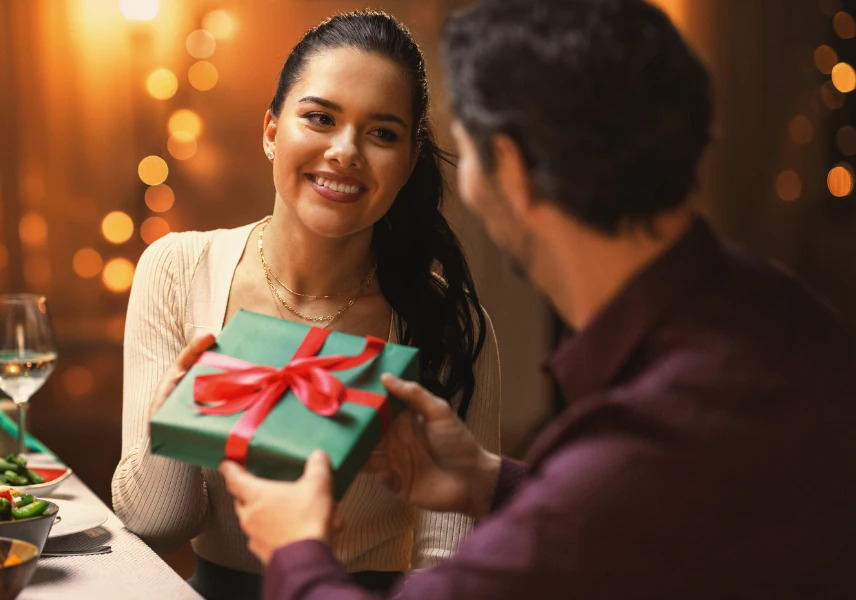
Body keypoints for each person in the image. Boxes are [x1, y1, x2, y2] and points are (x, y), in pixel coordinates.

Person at [203, 0, 855, 598]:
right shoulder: (778, 306)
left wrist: (295, 547)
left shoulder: (633, 460)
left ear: (508, 168)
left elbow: (602, 512)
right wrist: (491, 481)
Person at [111, 11, 502, 600]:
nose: (345, 152)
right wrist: (173, 424)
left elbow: (448, 565)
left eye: (382, 133)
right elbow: (155, 523)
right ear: (271, 130)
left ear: (409, 159)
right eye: (320, 118)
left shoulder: (442, 321)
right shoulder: (176, 271)